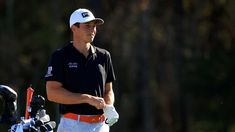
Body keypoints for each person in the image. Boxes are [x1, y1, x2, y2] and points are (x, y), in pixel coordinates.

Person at [45, 8, 118, 132]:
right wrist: (87, 99)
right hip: (72, 125)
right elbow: (52, 93)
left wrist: (109, 106)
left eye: (94, 26)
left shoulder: (104, 56)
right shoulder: (60, 56)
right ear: (74, 28)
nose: (92, 30)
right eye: (87, 26)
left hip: (101, 126)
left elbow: (108, 90)